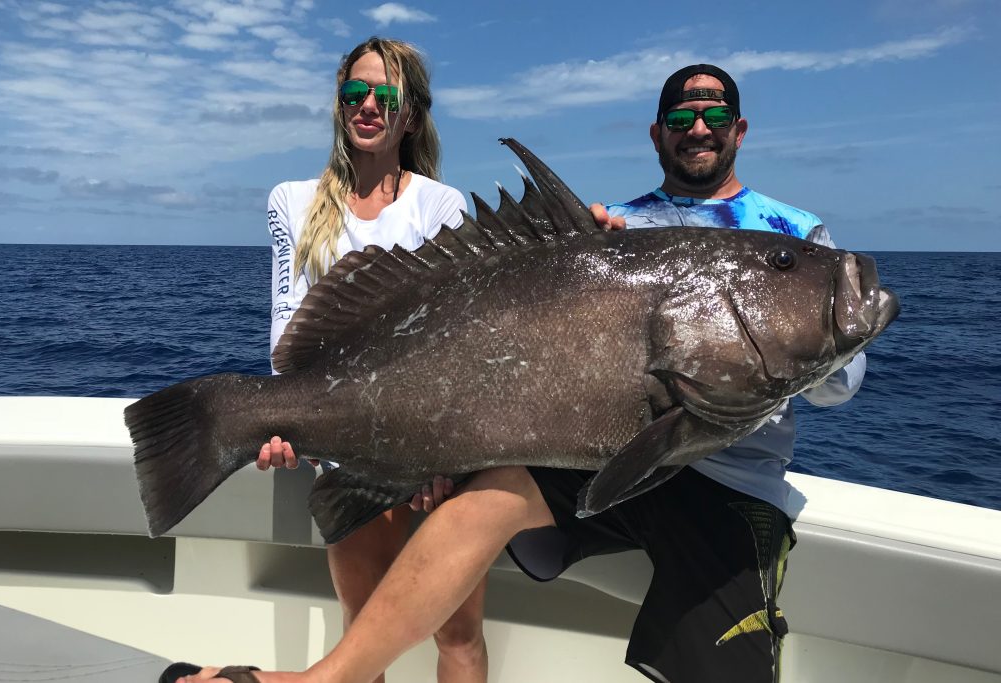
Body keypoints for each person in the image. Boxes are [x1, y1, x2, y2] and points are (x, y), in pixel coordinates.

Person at [181, 65, 866, 683]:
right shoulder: (618, 225)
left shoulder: (795, 234)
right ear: (658, 133)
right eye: (682, 117)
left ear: (738, 130)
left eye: (714, 116)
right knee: (479, 501)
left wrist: (805, 343)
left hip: (731, 487)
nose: (698, 128)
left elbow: (842, 384)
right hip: (608, 470)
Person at [162, 37, 488, 683]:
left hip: (433, 447)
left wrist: (442, 457)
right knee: (362, 638)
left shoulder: (441, 204)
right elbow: (286, 325)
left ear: (410, 116)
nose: (368, 105)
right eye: (354, 92)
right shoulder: (291, 200)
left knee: (458, 635)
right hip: (347, 454)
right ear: (339, 104)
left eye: (385, 96)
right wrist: (286, 426)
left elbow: (452, 338)